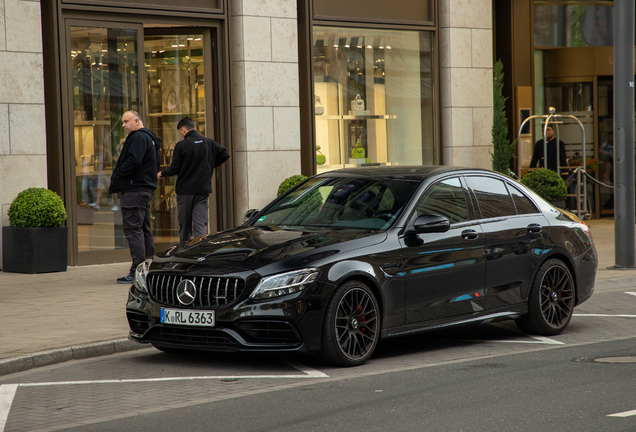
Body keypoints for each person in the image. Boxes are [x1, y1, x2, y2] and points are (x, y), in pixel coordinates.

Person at [109, 111, 162, 284]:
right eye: (122, 122)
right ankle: (148, 269)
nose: (123, 125)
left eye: (126, 121)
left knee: (134, 230)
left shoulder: (138, 137)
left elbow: (134, 160)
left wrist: (119, 175)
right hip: (143, 190)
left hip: (134, 190)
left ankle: (138, 270)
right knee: (143, 229)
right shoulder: (150, 138)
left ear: (137, 121)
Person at [158, 117, 229, 242]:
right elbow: (225, 154)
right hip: (202, 190)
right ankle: (200, 253)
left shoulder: (181, 145)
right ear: (194, 128)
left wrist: (162, 173)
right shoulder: (209, 142)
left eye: (180, 133)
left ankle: (185, 254)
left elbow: (174, 168)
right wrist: (211, 164)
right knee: (200, 225)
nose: (181, 135)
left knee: (185, 226)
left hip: (185, 191)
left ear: (184, 130)